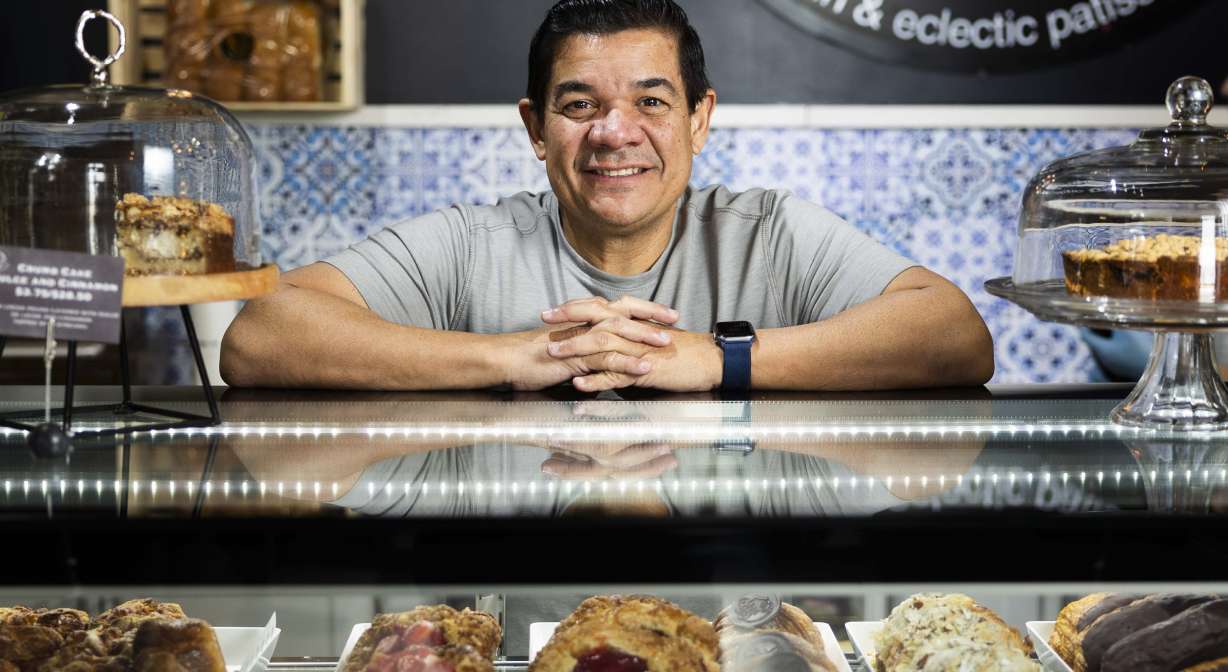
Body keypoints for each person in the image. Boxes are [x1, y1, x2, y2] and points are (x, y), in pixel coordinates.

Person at [221, 0, 994, 394]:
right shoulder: (472, 243)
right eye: (580, 104)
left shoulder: (768, 232)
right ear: (536, 125)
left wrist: (714, 361)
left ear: (699, 119)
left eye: (652, 103)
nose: (613, 133)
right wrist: (521, 354)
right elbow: (260, 336)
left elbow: (953, 335)